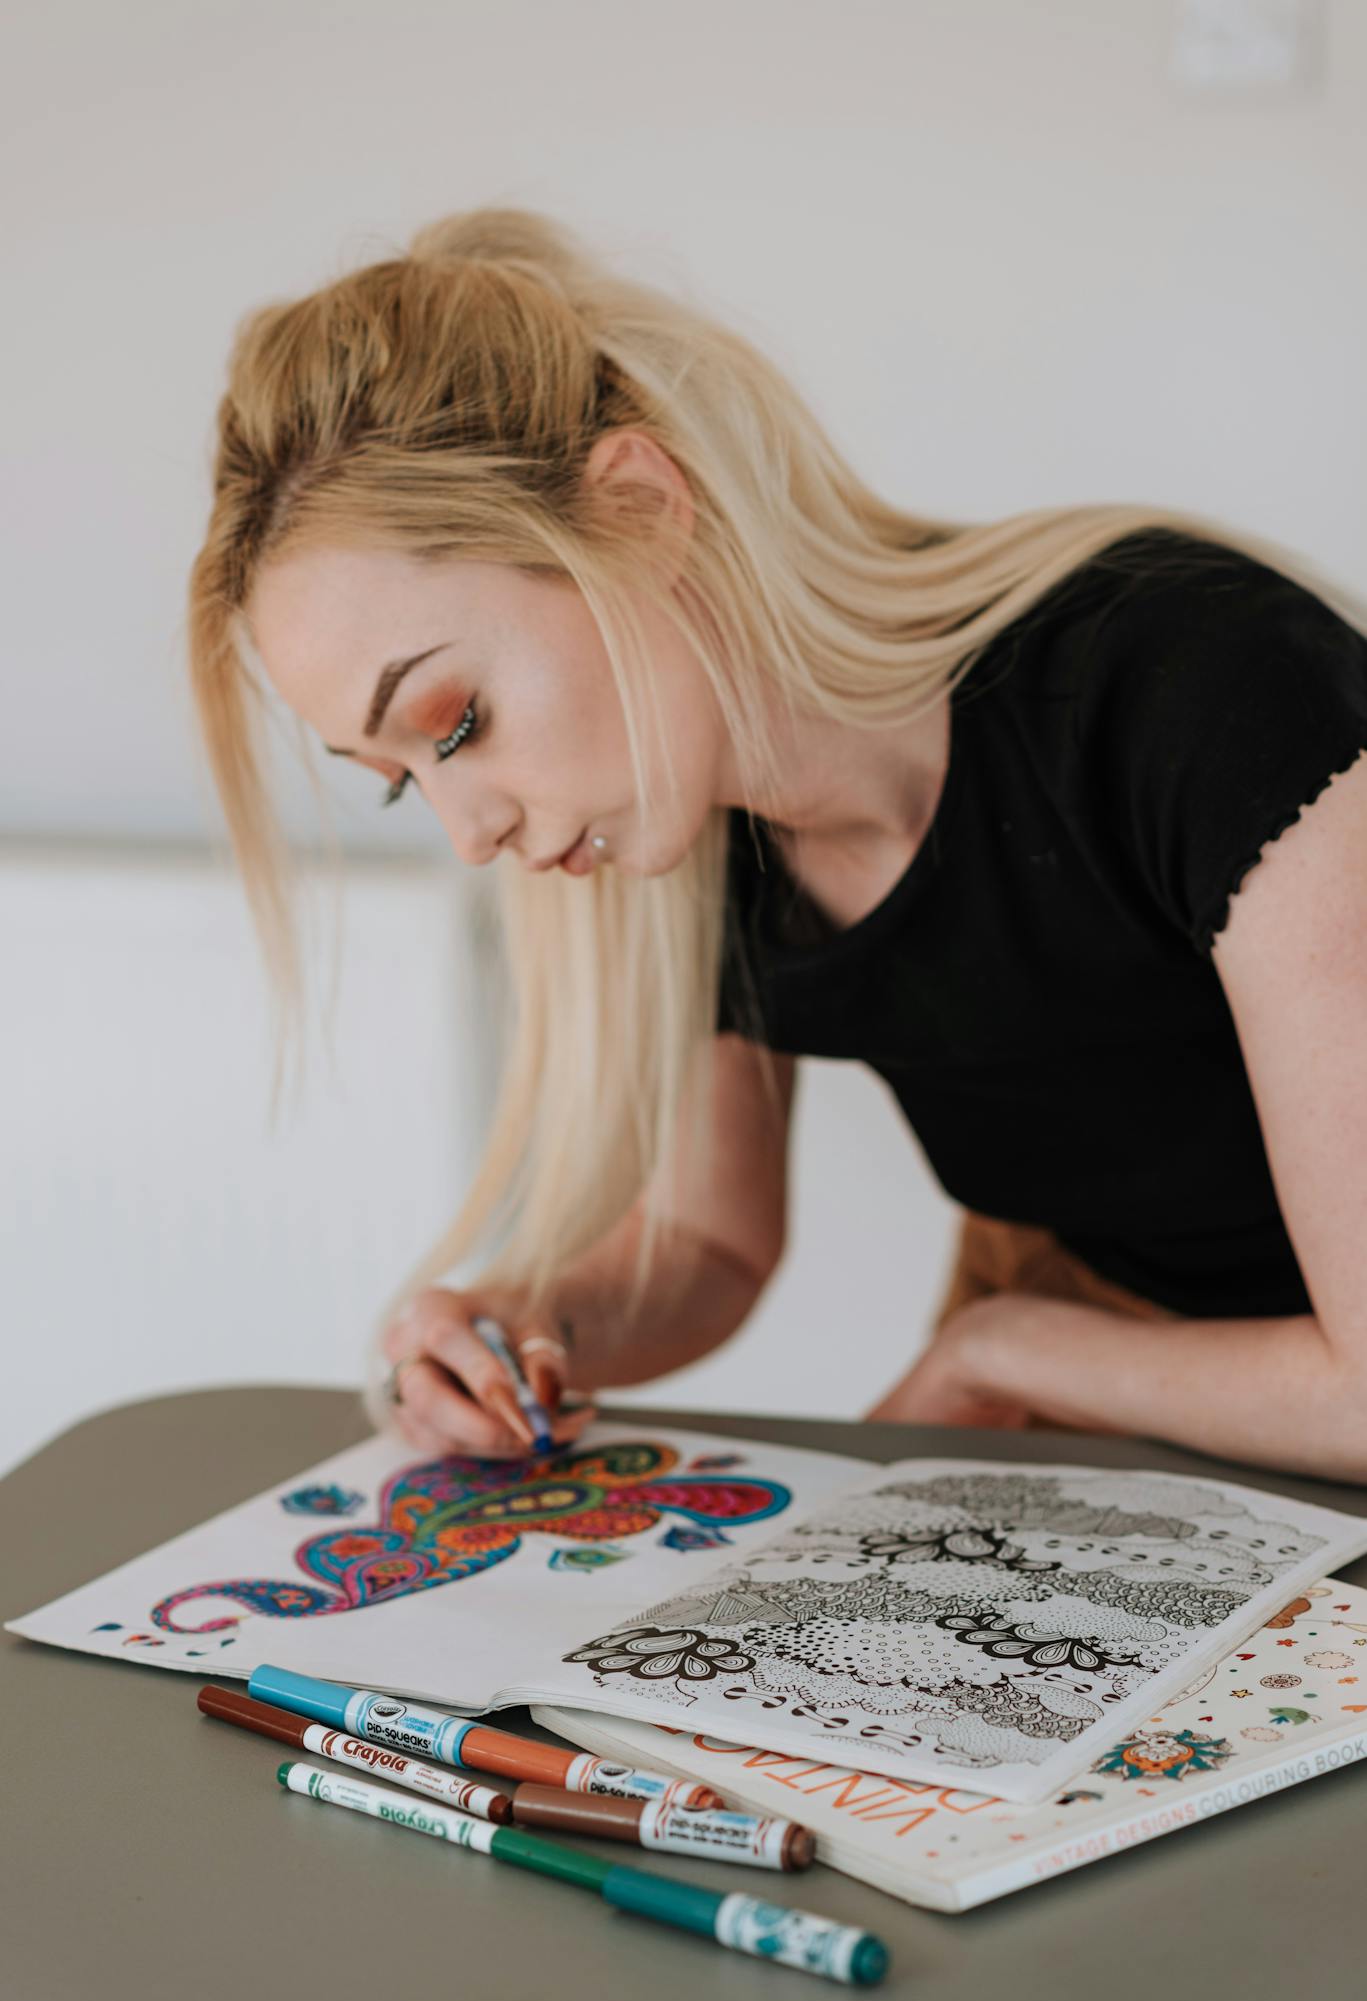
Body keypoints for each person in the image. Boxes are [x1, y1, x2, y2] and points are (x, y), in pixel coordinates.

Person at [187, 207, 1367, 1483]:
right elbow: (707, 1245)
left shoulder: (1202, 691)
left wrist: (1012, 1344)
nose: (469, 834)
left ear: (639, 512)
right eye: (394, 782)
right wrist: (525, 1320)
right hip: (1124, 1362)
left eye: (454, 721)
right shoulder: (690, 839)